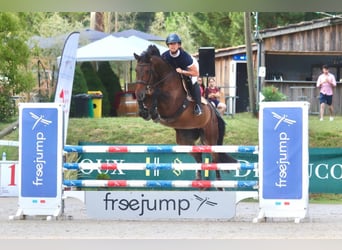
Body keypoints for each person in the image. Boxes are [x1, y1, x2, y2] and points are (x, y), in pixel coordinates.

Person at [161, 33, 203, 116]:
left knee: (192, 81)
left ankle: (198, 106)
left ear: (179, 45)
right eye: (170, 44)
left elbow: (196, 73)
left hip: (189, 69)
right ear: (168, 45)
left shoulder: (185, 57)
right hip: (175, 71)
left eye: (174, 43)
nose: (172, 46)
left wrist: (183, 72)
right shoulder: (164, 56)